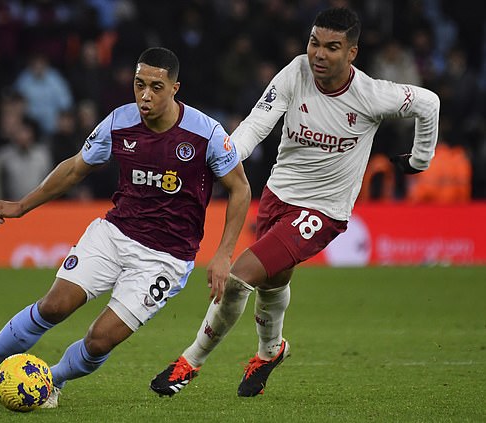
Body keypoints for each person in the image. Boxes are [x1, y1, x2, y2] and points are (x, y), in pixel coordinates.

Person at [0, 47, 251, 408]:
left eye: (156, 87)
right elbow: (77, 167)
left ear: (175, 88)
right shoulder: (118, 122)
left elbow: (240, 189)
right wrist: (22, 205)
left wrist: (223, 254)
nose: (145, 95)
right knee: (53, 306)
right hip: (114, 234)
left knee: (99, 340)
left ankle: (51, 379)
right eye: (139, 84)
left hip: (166, 259)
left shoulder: (205, 134)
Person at [150, 7, 440, 398]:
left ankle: (189, 362)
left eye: (332, 47)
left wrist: (420, 158)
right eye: (314, 43)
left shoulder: (371, 95)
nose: (319, 54)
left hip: (323, 211)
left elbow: (429, 102)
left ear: (352, 53)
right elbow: (257, 121)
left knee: (239, 278)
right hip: (278, 194)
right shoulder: (296, 71)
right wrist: (224, 159)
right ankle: (271, 351)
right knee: (273, 282)